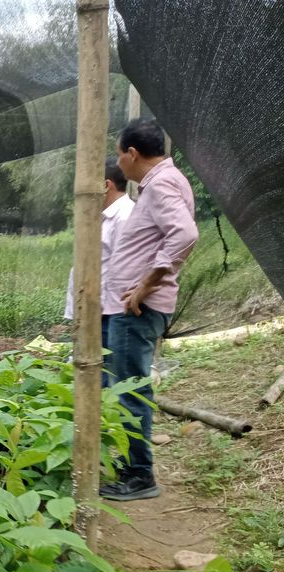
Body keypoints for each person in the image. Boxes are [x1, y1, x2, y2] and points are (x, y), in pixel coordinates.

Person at [100, 119, 199, 501]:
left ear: (132, 153)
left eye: (118, 153)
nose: (118, 163)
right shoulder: (163, 182)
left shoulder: (160, 185)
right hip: (134, 308)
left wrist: (143, 287)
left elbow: (185, 234)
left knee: (131, 392)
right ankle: (132, 468)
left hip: (137, 310)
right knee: (128, 387)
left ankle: (140, 475)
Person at [63, 156, 135, 361]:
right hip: (93, 310)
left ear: (106, 185)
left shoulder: (125, 216)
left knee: (104, 371)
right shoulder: (102, 216)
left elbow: (123, 268)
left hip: (106, 312)